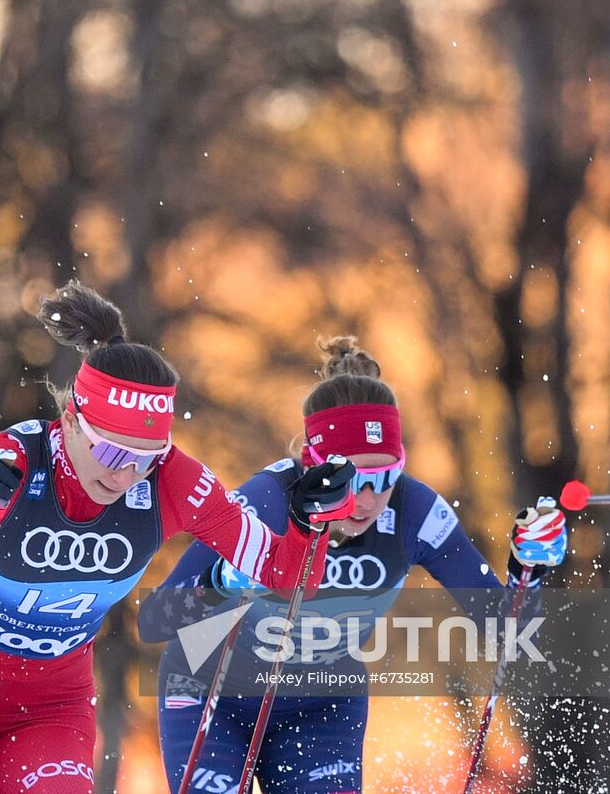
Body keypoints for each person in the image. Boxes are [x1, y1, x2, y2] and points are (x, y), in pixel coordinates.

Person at [0, 281, 358, 793]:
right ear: (71, 419)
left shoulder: (173, 481)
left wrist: (308, 525)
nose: (125, 476)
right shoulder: (11, 459)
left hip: (50, 710)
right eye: (114, 453)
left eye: (144, 458)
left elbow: (287, 577)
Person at [139, 335, 569, 794]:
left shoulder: (416, 513)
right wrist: (223, 582)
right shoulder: (265, 503)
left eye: (386, 476)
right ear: (314, 465)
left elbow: (513, 635)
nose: (369, 499)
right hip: (212, 690)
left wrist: (529, 570)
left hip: (320, 705)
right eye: (355, 480)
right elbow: (154, 620)